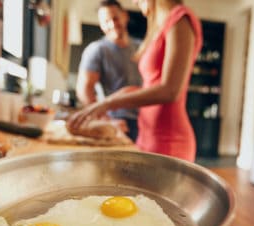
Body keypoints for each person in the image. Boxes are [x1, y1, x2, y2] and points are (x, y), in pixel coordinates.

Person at [69, 0, 203, 162]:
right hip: (146, 133)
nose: (134, 1)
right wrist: (101, 105)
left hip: (167, 139)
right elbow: (148, 86)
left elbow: (170, 90)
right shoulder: (158, 26)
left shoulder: (180, 18)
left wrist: (108, 103)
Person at [76, 0, 142, 141]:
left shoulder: (141, 47)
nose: (112, 24)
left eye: (115, 18)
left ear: (125, 16)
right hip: (118, 121)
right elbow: (84, 90)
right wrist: (106, 121)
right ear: (100, 25)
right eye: (106, 21)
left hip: (146, 120)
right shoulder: (97, 50)